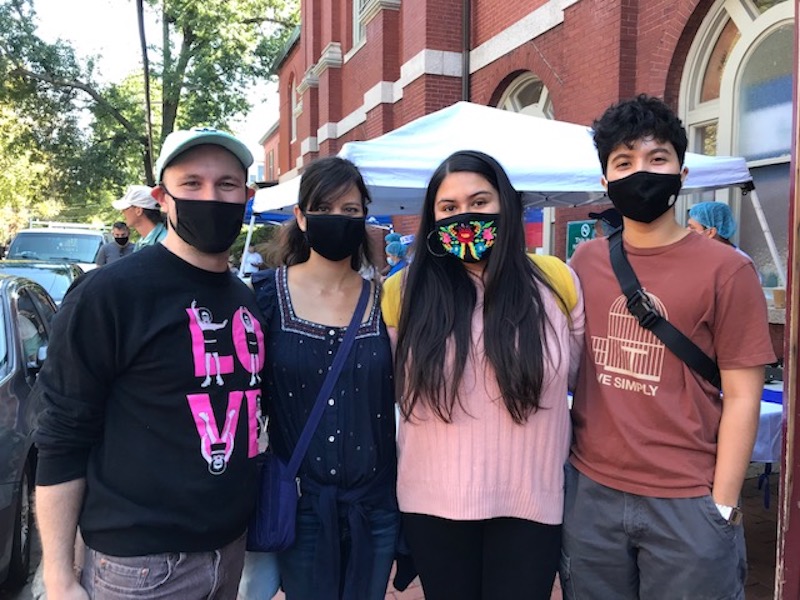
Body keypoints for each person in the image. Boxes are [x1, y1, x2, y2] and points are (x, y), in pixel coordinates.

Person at [33, 127, 266, 599]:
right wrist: (59, 575)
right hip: (140, 568)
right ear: (163, 197)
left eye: (226, 184)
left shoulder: (245, 299)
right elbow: (62, 435)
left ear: (248, 195)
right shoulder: (110, 294)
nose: (211, 196)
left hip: (230, 551)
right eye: (192, 184)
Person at [561, 94, 776, 599]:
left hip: (688, 500)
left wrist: (724, 504)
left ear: (682, 173)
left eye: (657, 158)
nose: (641, 172)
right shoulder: (585, 262)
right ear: (605, 181)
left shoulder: (729, 270)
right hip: (592, 493)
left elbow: (743, 394)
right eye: (624, 161)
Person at [382, 150, 584, 600]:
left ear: (507, 206)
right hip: (432, 507)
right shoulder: (403, 290)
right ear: (432, 218)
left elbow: (577, 376)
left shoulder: (557, 281)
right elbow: (389, 388)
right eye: (449, 208)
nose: (465, 218)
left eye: (480, 202)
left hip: (532, 504)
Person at [241, 156, 399, 600]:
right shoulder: (264, 297)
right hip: (300, 504)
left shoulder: (386, 299)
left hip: (375, 506)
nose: (337, 219)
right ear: (300, 216)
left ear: (365, 217)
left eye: (350, 210)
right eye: (324, 208)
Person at [687, 201, 752, 259]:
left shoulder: (738, 262)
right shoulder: (702, 256)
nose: (687, 231)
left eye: (692, 228)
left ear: (711, 232)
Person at [112, 184, 168, 249]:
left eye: (126, 208)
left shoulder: (165, 242)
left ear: (138, 211)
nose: (122, 212)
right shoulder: (142, 243)